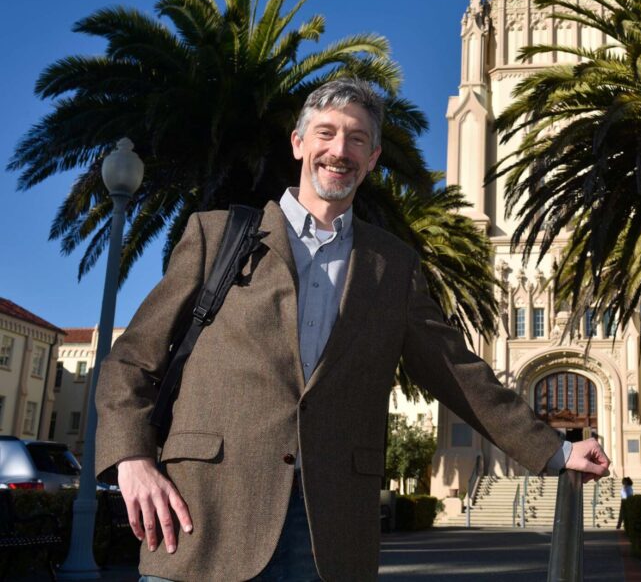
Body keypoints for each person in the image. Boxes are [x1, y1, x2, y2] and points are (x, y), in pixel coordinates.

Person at [95, 78, 611, 582]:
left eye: (357, 139)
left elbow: (458, 371)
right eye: (326, 132)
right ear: (298, 143)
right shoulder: (217, 236)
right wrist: (132, 458)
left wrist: (558, 450)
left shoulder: (391, 264)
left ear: (373, 159)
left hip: (329, 530)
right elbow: (132, 360)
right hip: (202, 517)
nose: (339, 149)